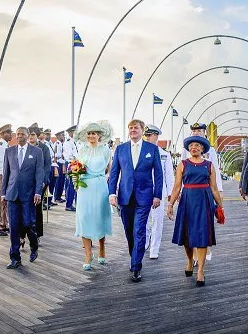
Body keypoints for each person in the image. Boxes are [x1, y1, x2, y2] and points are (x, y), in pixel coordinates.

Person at [108, 119, 163, 283]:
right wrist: (112, 193)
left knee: (139, 230)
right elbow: (114, 173)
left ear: (142, 130)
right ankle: (135, 256)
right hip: (125, 196)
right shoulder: (121, 149)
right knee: (129, 231)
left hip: (144, 197)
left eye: (136, 128)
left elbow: (158, 174)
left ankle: (136, 266)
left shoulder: (151, 149)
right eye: (130, 128)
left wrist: (157, 195)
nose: (133, 130)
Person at [167, 135, 223, 287]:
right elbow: (177, 187)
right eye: (191, 146)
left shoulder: (209, 165)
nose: (194, 148)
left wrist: (220, 207)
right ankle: (190, 260)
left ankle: (201, 271)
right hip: (187, 201)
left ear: (203, 149)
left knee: (203, 235)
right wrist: (170, 204)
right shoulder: (182, 164)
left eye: (197, 145)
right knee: (187, 235)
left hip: (204, 201)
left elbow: (214, 188)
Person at [73, 121, 113, 270]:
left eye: (94, 133)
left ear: (99, 135)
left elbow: (110, 170)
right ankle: (88, 254)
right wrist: (76, 179)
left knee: (99, 217)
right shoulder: (82, 150)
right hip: (84, 187)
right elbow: (76, 167)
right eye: (89, 133)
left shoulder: (105, 150)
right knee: (84, 217)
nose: (91, 136)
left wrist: (105, 178)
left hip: (100, 186)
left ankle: (102, 248)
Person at [2, 127, 44, 269]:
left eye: (22, 134)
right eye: (18, 134)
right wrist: (3, 193)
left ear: (27, 136)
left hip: (29, 194)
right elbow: (6, 173)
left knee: (28, 224)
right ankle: (15, 258)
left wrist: (38, 192)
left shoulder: (36, 152)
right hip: (12, 194)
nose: (19, 136)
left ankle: (34, 245)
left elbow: (39, 173)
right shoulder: (9, 151)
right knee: (13, 228)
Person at [143, 125, 175, 259]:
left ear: (156, 136)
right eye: (147, 135)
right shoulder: (140, 152)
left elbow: (169, 176)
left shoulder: (164, 154)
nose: (148, 138)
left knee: (157, 221)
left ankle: (154, 249)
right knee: (143, 221)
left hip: (158, 192)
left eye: (151, 135)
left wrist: (171, 194)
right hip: (143, 192)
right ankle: (144, 243)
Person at [28, 124, 50, 238]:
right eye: (29, 135)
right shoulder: (24, 147)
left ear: (37, 136)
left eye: (32, 135)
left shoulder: (44, 148)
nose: (30, 137)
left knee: (37, 206)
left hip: (40, 182)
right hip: (27, 182)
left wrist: (42, 181)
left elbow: (47, 166)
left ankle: (37, 233)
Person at [63, 125, 78, 212]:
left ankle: (73, 203)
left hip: (77, 164)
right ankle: (69, 205)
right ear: (70, 133)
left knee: (76, 184)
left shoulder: (76, 142)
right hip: (71, 164)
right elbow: (69, 156)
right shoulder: (68, 142)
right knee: (71, 185)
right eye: (74, 132)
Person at [53, 131, 66, 204]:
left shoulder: (61, 143)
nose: (63, 136)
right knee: (58, 182)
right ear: (58, 136)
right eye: (62, 135)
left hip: (62, 163)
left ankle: (59, 196)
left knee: (61, 181)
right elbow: (55, 154)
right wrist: (62, 155)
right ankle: (57, 197)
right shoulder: (57, 144)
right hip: (58, 163)